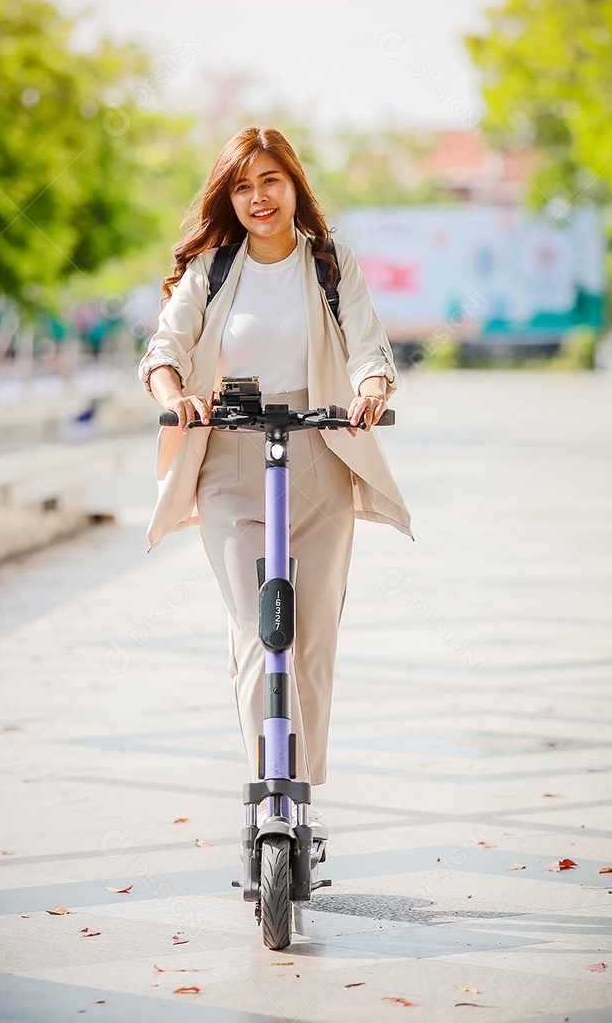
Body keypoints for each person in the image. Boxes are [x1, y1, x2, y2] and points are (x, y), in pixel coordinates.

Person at [139, 126, 412, 831]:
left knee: (312, 629)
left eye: (270, 181)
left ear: (294, 186)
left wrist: (372, 385)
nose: (258, 197)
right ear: (228, 198)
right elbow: (165, 348)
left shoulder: (330, 262)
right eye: (242, 185)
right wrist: (176, 398)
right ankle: (267, 789)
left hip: (320, 447)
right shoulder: (213, 268)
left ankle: (297, 793)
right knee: (261, 626)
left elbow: (366, 342)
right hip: (230, 456)